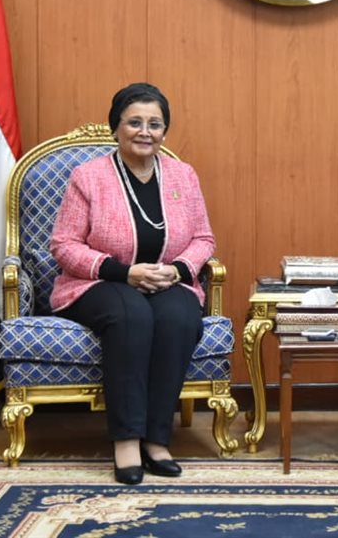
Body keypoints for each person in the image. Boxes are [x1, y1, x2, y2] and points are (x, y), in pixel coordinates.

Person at [50, 83, 215, 485]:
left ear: (164, 132)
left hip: (166, 280)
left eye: (154, 124)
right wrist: (125, 273)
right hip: (98, 284)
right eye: (134, 122)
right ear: (116, 128)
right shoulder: (88, 177)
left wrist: (177, 271)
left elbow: (203, 239)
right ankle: (126, 439)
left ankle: (157, 440)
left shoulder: (183, 175)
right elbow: (63, 245)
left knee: (179, 318)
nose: (145, 131)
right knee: (131, 315)